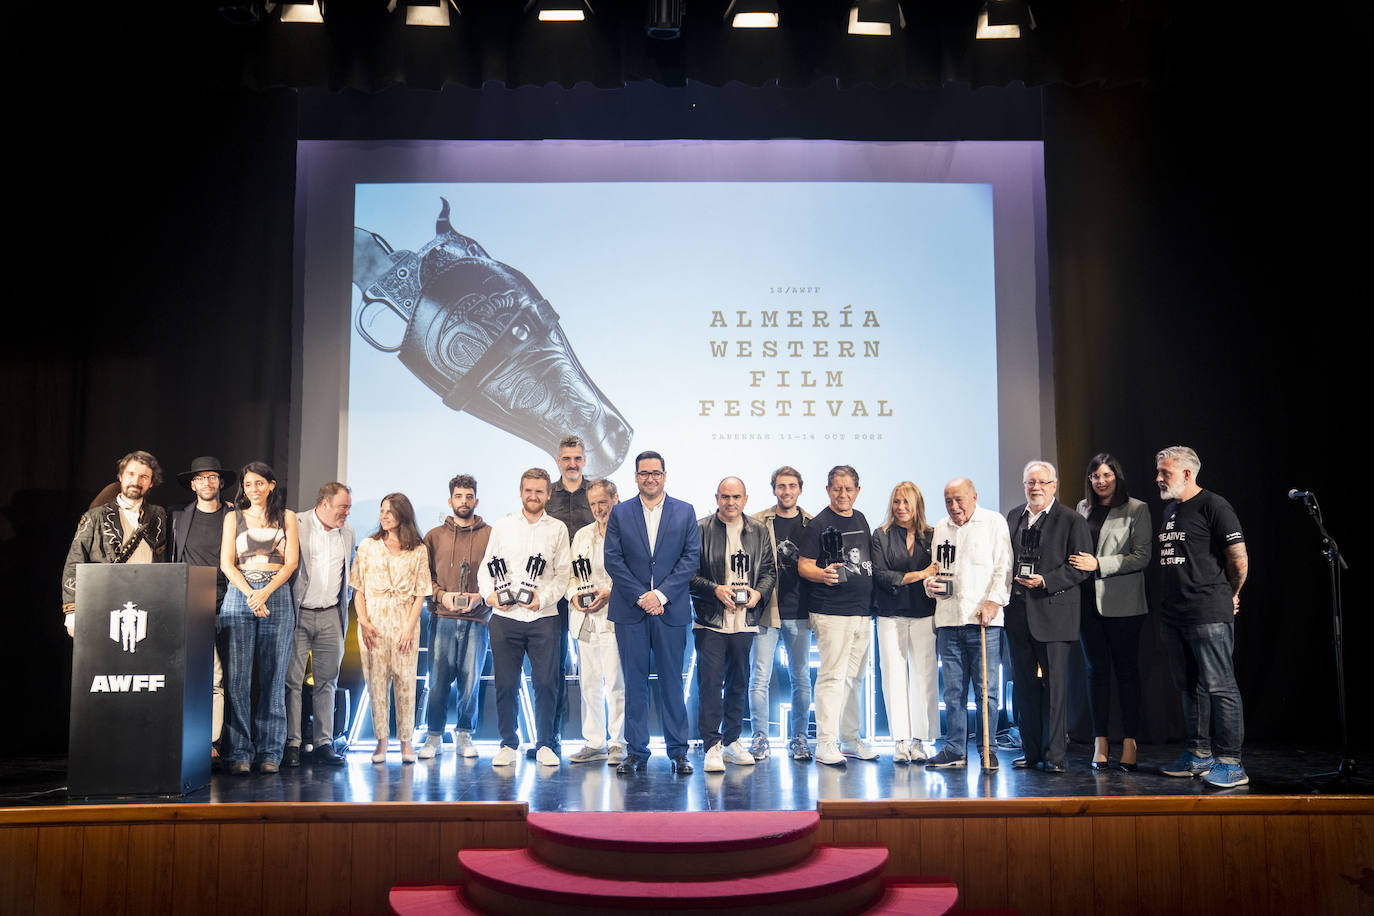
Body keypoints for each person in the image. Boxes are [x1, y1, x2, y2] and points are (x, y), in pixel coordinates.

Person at [1154, 446, 1249, 788]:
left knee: (1220, 686)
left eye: (1164, 472)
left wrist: (1230, 595)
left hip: (1207, 611)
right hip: (1173, 615)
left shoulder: (1214, 505)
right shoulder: (1170, 510)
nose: (1158, 478)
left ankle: (1230, 763)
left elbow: (1238, 559)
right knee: (1189, 687)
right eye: (1159, 471)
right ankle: (1199, 754)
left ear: (1187, 474)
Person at [604, 450, 701, 775]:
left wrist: (660, 595)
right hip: (631, 610)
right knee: (634, 683)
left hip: (669, 610)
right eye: (643, 473)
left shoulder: (685, 512)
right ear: (635, 477)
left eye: (655, 473)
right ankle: (636, 752)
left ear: (664, 475)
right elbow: (612, 559)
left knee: (673, 683)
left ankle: (678, 752)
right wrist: (641, 596)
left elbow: (690, 559)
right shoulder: (620, 512)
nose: (650, 478)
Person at [478, 469, 572, 768]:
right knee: (506, 684)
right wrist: (489, 596)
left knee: (545, 683)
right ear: (521, 492)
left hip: (544, 617)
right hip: (505, 618)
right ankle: (508, 744)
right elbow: (486, 567)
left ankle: (545, 743)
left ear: (548, 494)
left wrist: (542, 599)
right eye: (528, 490)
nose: (533, 496)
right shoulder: (504, 526)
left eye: (539, 491)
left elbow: (563, 574)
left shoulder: (557, 529)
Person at [1004, 461, 1092, 773]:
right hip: (1017, 617)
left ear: (1054, 486)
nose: (1036, 488)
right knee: (1024, 687)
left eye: (1042, 482)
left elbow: (1079, 567)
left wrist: (1046, 581)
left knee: (1056, 689)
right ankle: (1030, 753)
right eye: (1030, 482)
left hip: (1055, 616)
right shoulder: (1014, 516)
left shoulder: (1071, 519)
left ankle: (1054, 756)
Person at [1068, 453, 1151, 771]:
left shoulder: (1137, 509)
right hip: (1087, 604)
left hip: (1125, 606)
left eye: (1106, 475)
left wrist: (1099, 564)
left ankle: (1130, 741)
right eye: (1095, 476)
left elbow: (1142, 556)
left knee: (1127, 673)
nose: (1100, 481)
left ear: (1117, 476)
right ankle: (1100, 740)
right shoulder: (1081, 507)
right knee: (1095, 674)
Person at [924, 478, 1012, 771]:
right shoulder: (941, 528)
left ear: (974, 496)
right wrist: (930, 585)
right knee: (952, 692)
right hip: (949, 621)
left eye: (959, 499)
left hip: (983, 621)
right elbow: (939, 571)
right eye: (949, 501)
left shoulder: (993, 522)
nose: (954, 506)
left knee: (986, 692)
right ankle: (954, 750)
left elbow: (1004, 567)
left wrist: (995, 601)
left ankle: (988, 749)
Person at [691, 477, 777, 773]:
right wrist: (715, 589)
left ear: (746, 498)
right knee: (711, 684)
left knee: (739, 683)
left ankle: (732, 741)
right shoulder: (700, 529)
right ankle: (712, 745)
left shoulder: (759, 530)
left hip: (745, 621)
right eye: (725, 496)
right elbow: (689, 575)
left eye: (736, 496)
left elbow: (768, 571)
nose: (731, 502)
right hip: (711, 621)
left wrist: (759, 593)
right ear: (716, 497)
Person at [218, 462, 300, 775]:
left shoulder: (287, 517)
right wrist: (251, 594)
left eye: (259, 483)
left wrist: (264, 592)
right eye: (248, 484)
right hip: (240, 596)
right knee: (237, 681)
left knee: (274, 679)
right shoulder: (232, 518)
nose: (254, 489)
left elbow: (290, 562)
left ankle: (270, 752)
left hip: (276, 595)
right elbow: (227, 563)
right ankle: (239, 751)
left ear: (271, 485)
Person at [798, 465, 877, 767]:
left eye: (848, 488)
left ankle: (851, 739)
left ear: (858, 490)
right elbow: (804, 565)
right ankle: (826, 743)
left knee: (854, 679)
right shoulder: (818, 524)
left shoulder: (861, 518)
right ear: (828, 489)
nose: (843, 494)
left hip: (861, 612)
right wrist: (822, 575)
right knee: (832, 677)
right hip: (831, 613)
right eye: (837, 488)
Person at [352, 493, 431, 765]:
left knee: (406, 683)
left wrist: (409, 627)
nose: (384, 516)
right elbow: (358, 588)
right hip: (373, 623)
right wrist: (363, 621)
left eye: (390, 511)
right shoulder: (367, 546)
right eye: (382, 511)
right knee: (376, 684)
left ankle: (406, 743)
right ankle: (381, 742)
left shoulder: (418, 550)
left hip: (404, 621)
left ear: (402, 515)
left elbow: (422, 591)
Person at [419, 475, 492, 761]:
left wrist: (481, 597)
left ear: (476, 500)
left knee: (470, 680)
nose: (464, 501)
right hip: (442, 618)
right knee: (437, 681)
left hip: (477, 619)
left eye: (469, 496)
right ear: (450, 501)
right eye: (459, 496)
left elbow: (498, 576)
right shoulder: (433, 536)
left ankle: (465, 734)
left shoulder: (490, 535)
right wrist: (441, 596)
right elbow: (425, 578)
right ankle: (434, 735)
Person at [169, 457, 237, 764]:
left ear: (221, 483)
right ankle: (198, 740)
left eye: (212, 477)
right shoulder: (178, 518)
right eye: (200, 478)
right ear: (192, 484)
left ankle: (220, 742)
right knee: (199, 676)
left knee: (230, 677)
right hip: (190, 604)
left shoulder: (235, 516)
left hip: (231, 603)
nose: (206, 483)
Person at [284, 481, 355, 768]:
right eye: (343, 507)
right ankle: (292, 742)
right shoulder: (297, 522)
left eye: (349, 507)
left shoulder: (347, 532)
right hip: (298, 613)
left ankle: (324, 742)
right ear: (324, 504)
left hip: (330, 615)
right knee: (292, 682)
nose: (347, 513)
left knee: (327, 681)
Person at [870, 481, 941, 764]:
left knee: (925, 678)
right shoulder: (881, 535)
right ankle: (899, 741)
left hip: (925, 614)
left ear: (917, 504)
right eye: (897, 502)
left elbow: (941, 571)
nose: (901, 507)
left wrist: (926, 576)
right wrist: (921, 573)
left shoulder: (933, 535)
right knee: (893, 677)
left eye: (906, 502)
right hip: (890, 614)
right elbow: (882, 575)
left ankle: (920, 741)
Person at [62, 451, 169, 635]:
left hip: (147, 604)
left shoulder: (158, 515)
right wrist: (72, 612)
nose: (136, 481)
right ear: (120, 477)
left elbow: (163, 559)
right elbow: (74, 563)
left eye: (144, 476)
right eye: (131, 474)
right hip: (103, 601)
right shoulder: (94, 517)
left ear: (151, 482)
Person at [749, 466, 814, 761]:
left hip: (801, 611)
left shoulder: (813, 523)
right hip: (766, 611)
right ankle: (760, 738)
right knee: (759, 676)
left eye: (791, 486)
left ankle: (800, 738)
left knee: (801, 678)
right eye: (781, 486)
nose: (786, 491)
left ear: (800, 489)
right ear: (773, 489)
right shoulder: (758, 521)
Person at [565, 478, 626, 765]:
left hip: (614, 618)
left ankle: (617, 742)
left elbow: (635, 577)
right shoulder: (582, 535)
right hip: (585, 619)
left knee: (615, 682)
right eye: (593, 504)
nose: (598, 508)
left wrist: (611, 593)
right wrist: (574, 595)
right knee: (589, 683)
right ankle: (594, 741)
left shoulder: (627, 532)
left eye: (603, 501)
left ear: (616, 498)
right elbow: (570, 576)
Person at [541, 435, 595, 757]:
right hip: (556, 592)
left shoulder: (597, 493)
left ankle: (601, 740)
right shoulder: (548, 496)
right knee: (554, 666)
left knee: (597, 669)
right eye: (566, 458)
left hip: (593, 592)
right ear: (558, 461)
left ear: (584, 460)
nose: (572, 464)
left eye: (577, 458)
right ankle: (554, 737)